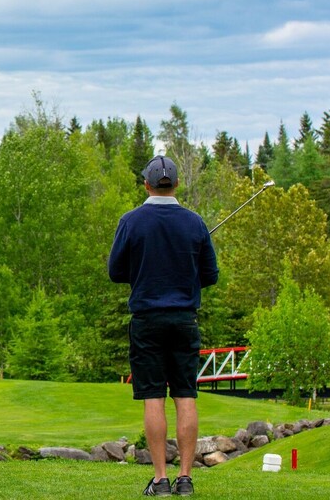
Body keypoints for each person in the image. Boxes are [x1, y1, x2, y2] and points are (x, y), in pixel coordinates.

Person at [107, 156, 219, 497]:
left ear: (146, 184)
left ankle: (160, 479)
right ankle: (185, 477)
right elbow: (210, 275)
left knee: (153, 398)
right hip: (184, 321)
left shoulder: (131, 221)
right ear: (177, 185)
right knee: (185, 396)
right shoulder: (195, 223)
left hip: (147, 322)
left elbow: (116, 272)